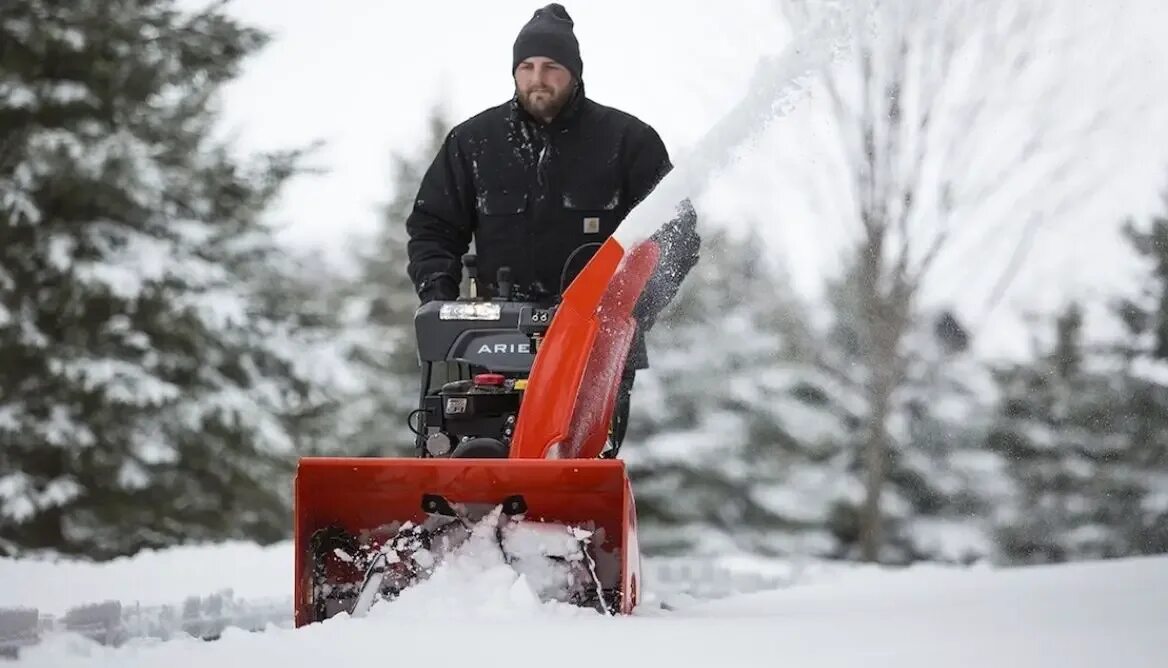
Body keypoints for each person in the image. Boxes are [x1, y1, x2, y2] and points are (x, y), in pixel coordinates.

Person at [405, 3, 700, 453]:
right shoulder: (474, 143)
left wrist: (632, 312)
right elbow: (433, 226)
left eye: (550, 67)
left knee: (572, 462)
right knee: (473, 452)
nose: (537, 78)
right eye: (526, 67)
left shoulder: (627, 142)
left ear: (574, 74)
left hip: (592, 343)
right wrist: (442, 305)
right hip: (489, 342)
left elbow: (678, 235)